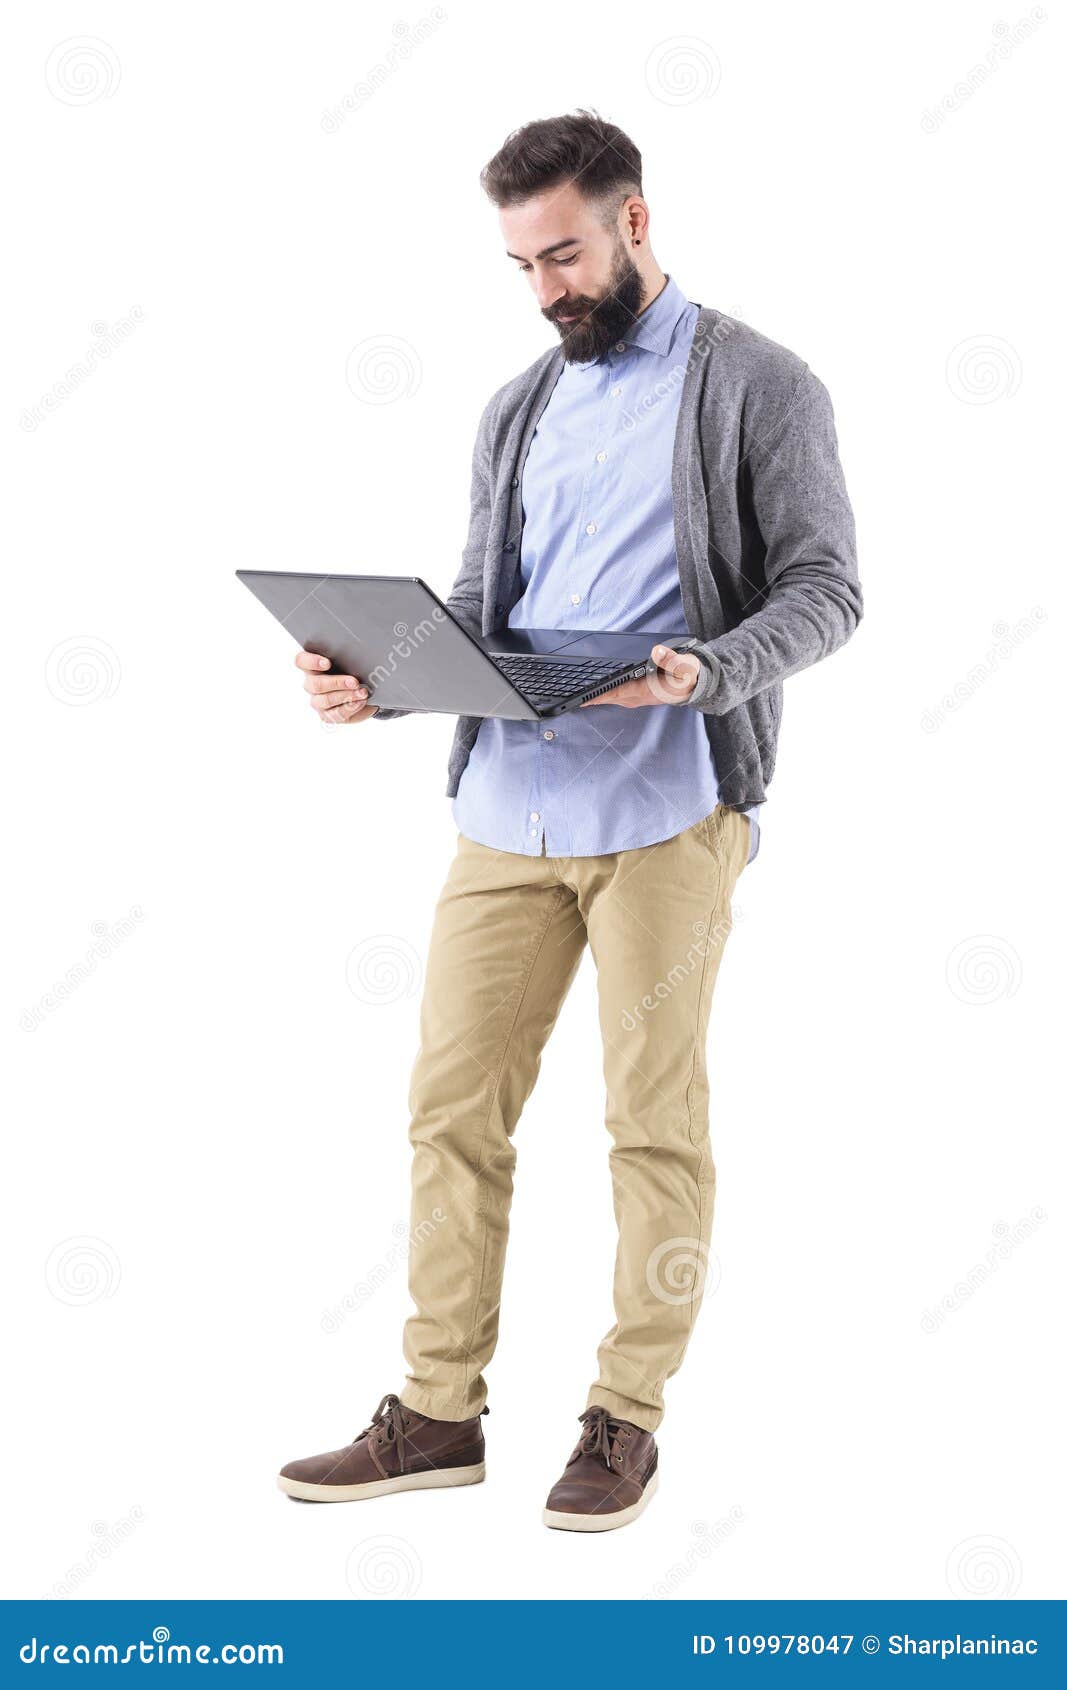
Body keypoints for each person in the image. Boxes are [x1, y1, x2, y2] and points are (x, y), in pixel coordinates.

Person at [279, 110, 861, 1531]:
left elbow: (829, 591)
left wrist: (699, 669)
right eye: (523, 266)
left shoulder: (762, 385)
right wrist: (383, 679)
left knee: (651, 1121)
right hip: (507, 810)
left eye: (566, 253)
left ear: (635, 221)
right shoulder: (516, 408)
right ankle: (435, 1409)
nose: (549, 289)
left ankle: (624, 1416)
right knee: (449, 1112)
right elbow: (488, 613)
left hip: (669, 808)